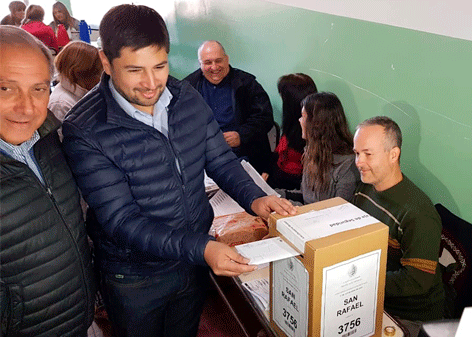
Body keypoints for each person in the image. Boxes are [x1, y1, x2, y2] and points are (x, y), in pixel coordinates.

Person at [61, 5, 296, 337]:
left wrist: (257, 198)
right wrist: (201, 248)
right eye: (134, 70)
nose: (150, 83)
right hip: (135, 275)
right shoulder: (86, 129)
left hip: (190, 261)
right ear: (105, 62)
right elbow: (121, 220)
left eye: (159, 66)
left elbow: (221, 160)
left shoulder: (186, 95)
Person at [0, 25, 95, 337]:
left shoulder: (49, 142)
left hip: (76, 318)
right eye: (5, 88)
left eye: (39, 89)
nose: (26, 107)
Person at [351, 116, 444, 333]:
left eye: (367, 154)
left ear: (394, 154)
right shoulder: (365, 186)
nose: (358, 162)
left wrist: (361, 283)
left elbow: (417, 280)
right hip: (372, 294)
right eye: (357, 153)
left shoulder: (418, 213)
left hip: (410, 314)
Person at [184, 40, 274, 175]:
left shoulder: (246, 84)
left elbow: (265, 118)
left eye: (218, 61)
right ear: (200, 64)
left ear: (227, 60)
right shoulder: (188, 87)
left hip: (244, 156)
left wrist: (241, 136)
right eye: (208, 63)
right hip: (204, 159)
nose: (214, 67)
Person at [279, 92, 360, 204]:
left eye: (303, 116)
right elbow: (305, 196)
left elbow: (338, 211)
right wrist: (274, 196)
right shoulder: (312, 151)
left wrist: (290, 206)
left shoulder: (348, 164)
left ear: (317, 124)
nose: (300, 120)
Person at [265, 73, 317, 190]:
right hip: (278, 178)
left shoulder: (308, 131)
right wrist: (267, 171)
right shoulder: (292, 122)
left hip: (290, 186)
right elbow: (278, 153)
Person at [49, 41, 102, 124]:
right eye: (98, 71)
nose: (100, 77)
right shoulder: (61, 104)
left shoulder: (82, 92)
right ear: (84, 72)